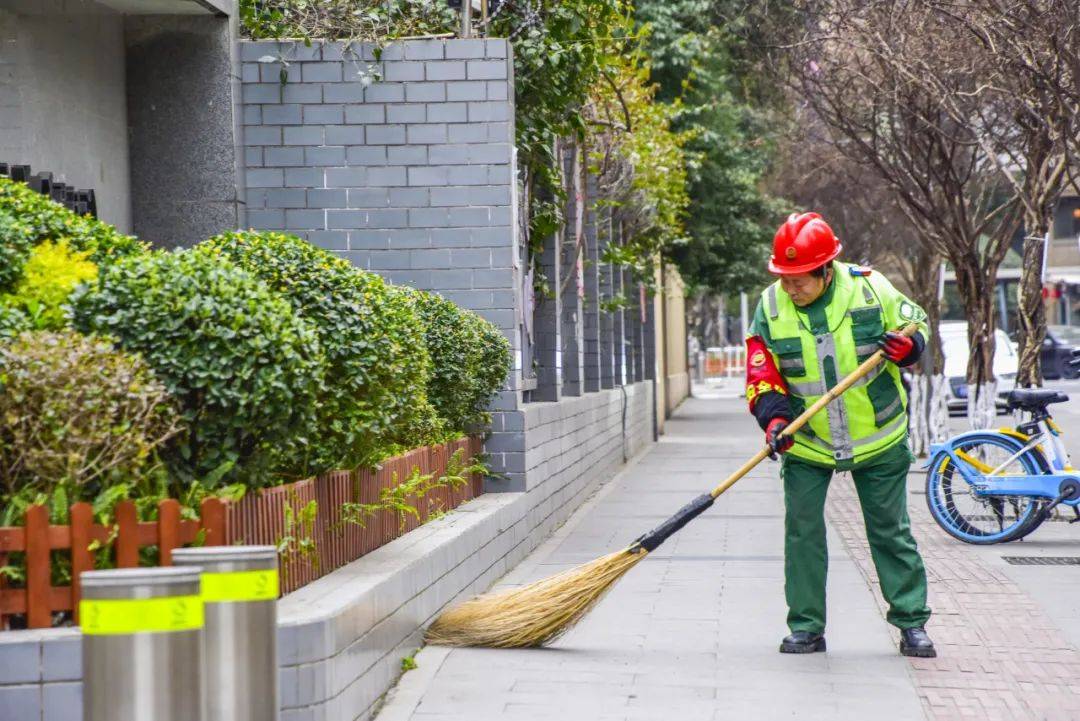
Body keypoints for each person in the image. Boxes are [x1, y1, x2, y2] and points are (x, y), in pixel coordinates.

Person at [744, 212, 935, 658]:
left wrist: (909, 348)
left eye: (800, 279)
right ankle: (806, 626)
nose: (791, 288)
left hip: (880, 437)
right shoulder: (771, 307)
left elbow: (916, 321)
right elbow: (761, 367)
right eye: (784, 277)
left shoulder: (871, 288)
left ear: (826, 269)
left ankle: (911, 623)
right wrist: (773, 420)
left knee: (890, 532)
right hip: (808, 441)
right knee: (802, 533)